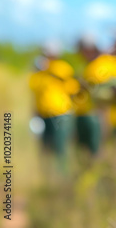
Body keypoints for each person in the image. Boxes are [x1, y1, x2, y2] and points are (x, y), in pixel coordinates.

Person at [29, 40, 79, 169]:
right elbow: (35, 94)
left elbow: (73, 88)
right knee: (45, 148)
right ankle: (47, 175)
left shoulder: (61, 68)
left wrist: (51, 70)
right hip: (43, 115)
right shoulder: (38, 73)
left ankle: (61, 177)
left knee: (59, 147)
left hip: (60, 115)